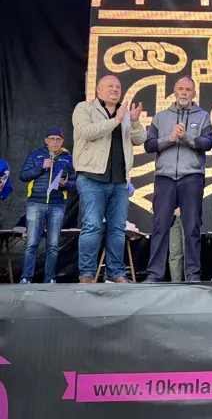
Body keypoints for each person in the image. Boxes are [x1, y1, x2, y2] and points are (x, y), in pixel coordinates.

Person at [72, 75, 145, 283]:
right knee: (92, 226)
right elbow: (86, 132)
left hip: (120, 180)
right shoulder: (84, 109)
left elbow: (140, 139)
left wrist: (135, 121)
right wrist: (116, 121)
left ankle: (115, 274)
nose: (114, 89)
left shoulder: (126, 113)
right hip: (92, 177)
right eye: (110, 86)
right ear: (98, 90)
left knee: (117, 229)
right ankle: (86, 274)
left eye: (118, 86)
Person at [143, 77, 212, 283]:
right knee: (160, 227)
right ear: (174, 91)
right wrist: (170, 139)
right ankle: (154, 274)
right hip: (164, 177)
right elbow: (149, 145)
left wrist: (187, 138)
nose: (184, 93)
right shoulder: (161, 116)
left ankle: (192, 275)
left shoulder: (203, 116)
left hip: (191, 177)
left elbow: (208, 142)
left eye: (188, 90)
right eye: (180, 89)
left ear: (194, 93)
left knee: (192, 228)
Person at [18, 128, 76, 284]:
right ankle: (26, 277)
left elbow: (75, 183)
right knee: (32, 243)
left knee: (52, 245)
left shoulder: (67, 158)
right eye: (52, 138)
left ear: (62, 141)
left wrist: (65, 184)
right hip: (35, 203)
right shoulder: (36, 155)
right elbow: (23, 176)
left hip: (57, 205)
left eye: (58, 139)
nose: (55, 142)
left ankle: (49, 278)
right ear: (46, 140)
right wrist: (41, 167)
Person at [169, 208, 184, 282]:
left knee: (188, 250)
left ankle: (191, 279)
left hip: (188, 213)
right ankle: (175, 281)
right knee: (174, 251)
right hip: (173, 216)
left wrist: (184, 207)